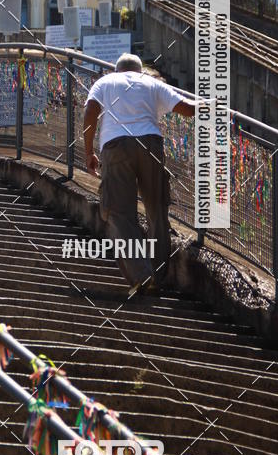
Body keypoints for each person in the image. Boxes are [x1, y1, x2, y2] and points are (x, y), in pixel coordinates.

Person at [83, 53, 196, 294]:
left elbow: (91, 109)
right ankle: (159, 273)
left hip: (115, 147)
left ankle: (143, 275)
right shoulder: (151, 83)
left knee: (119, 213)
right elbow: (186, 109)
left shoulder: (105, 82)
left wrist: (88, 151)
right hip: (150, 144)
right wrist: (212, 105)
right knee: (156, 210)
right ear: (139, 70)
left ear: (117, 69)